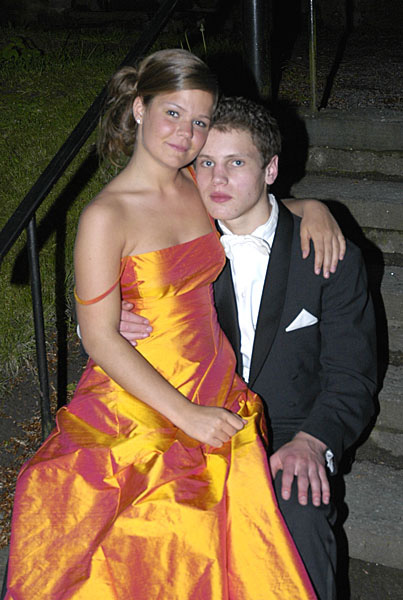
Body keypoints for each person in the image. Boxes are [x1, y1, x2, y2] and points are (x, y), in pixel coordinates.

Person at [5, 51, 318, 599]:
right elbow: (100, 336)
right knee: (154, 540)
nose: (186, 134)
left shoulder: (196, 184)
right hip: (141, 398)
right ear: (139, 108)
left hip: (213, 380)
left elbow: (252, 204)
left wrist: (314, 208)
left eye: (200, 121)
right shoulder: (106, 215)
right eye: (173, 113)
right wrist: (186, 416)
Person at [120, 96, 377, 600]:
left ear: (271, 169)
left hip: (289, 434)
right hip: (193, 426)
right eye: (205, 163)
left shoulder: (327, 253)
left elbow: (352, 376)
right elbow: (107, 288)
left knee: (297, 512)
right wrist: (104, 323)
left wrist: (313, 441)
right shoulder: (174, 249)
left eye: (236, 163)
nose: (217, 179)